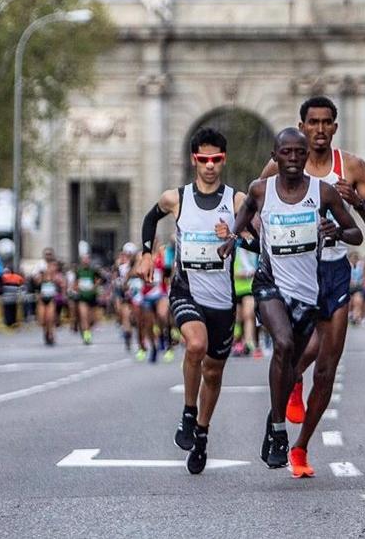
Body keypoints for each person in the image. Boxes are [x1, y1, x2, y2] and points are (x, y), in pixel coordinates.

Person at [223, 128, 360, 472]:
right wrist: (234, 240)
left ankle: (275, 416)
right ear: (275, 155)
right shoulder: (260, 189)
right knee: (282, 344)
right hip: (270, 284)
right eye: (287, 153)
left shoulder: (323, 192)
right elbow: (246, 212)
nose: (295, 159)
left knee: (291, 360)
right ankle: (280, 429)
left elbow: (355, 232)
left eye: (300, 153)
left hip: (307, 291)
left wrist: (337, 232)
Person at [259, 97, 365, 469]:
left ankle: (301, 446)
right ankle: (285, 401)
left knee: (327, 367)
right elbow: (251, 206)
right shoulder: (279, 163)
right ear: (301, 125)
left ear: (334, 127)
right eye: (311, 122)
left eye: (326, 122)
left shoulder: (353, 167)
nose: (318, 129)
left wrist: (357, 204)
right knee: (291, 349)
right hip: (289, 274)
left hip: (332, 273)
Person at [141, 126, 245, 474]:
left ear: (223, 159)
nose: (210, 166)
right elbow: (150, 217)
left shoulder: (236, 200)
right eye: (204, 159)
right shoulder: (177, 198)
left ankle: (201, 433)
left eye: (216, 159)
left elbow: (256, 239)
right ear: (193, 160)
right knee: (195, 345)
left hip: (223, 300)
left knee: (213, 373)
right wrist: (145, 254)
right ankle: (188, 411)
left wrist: (233, 236)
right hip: (187, 291)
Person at [34, 249, 66, 347]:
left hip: (52, 298)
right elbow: (36, 282)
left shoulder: (56, 271)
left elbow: (63, 283)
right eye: (46, 254)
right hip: (42, 298)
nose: (48, 256)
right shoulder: (41, 269)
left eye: (49, 254)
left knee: (50, 318)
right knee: (42, 319)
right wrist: (43, 276)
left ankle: (51, 334)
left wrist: (62, 292)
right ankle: (46, 332)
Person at [72, 252, 103, 344]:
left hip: (92, 297)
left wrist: (94, 286)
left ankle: (86, 330)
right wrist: (78, 288)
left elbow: (99, 280)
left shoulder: (93, 270)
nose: (86, 261)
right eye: (84, 259)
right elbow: (75, 284)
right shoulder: (78, 271)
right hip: (82, 297)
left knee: (91, 320)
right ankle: (86, 335)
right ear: (81, 260)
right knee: (83, 317)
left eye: (87, 259)